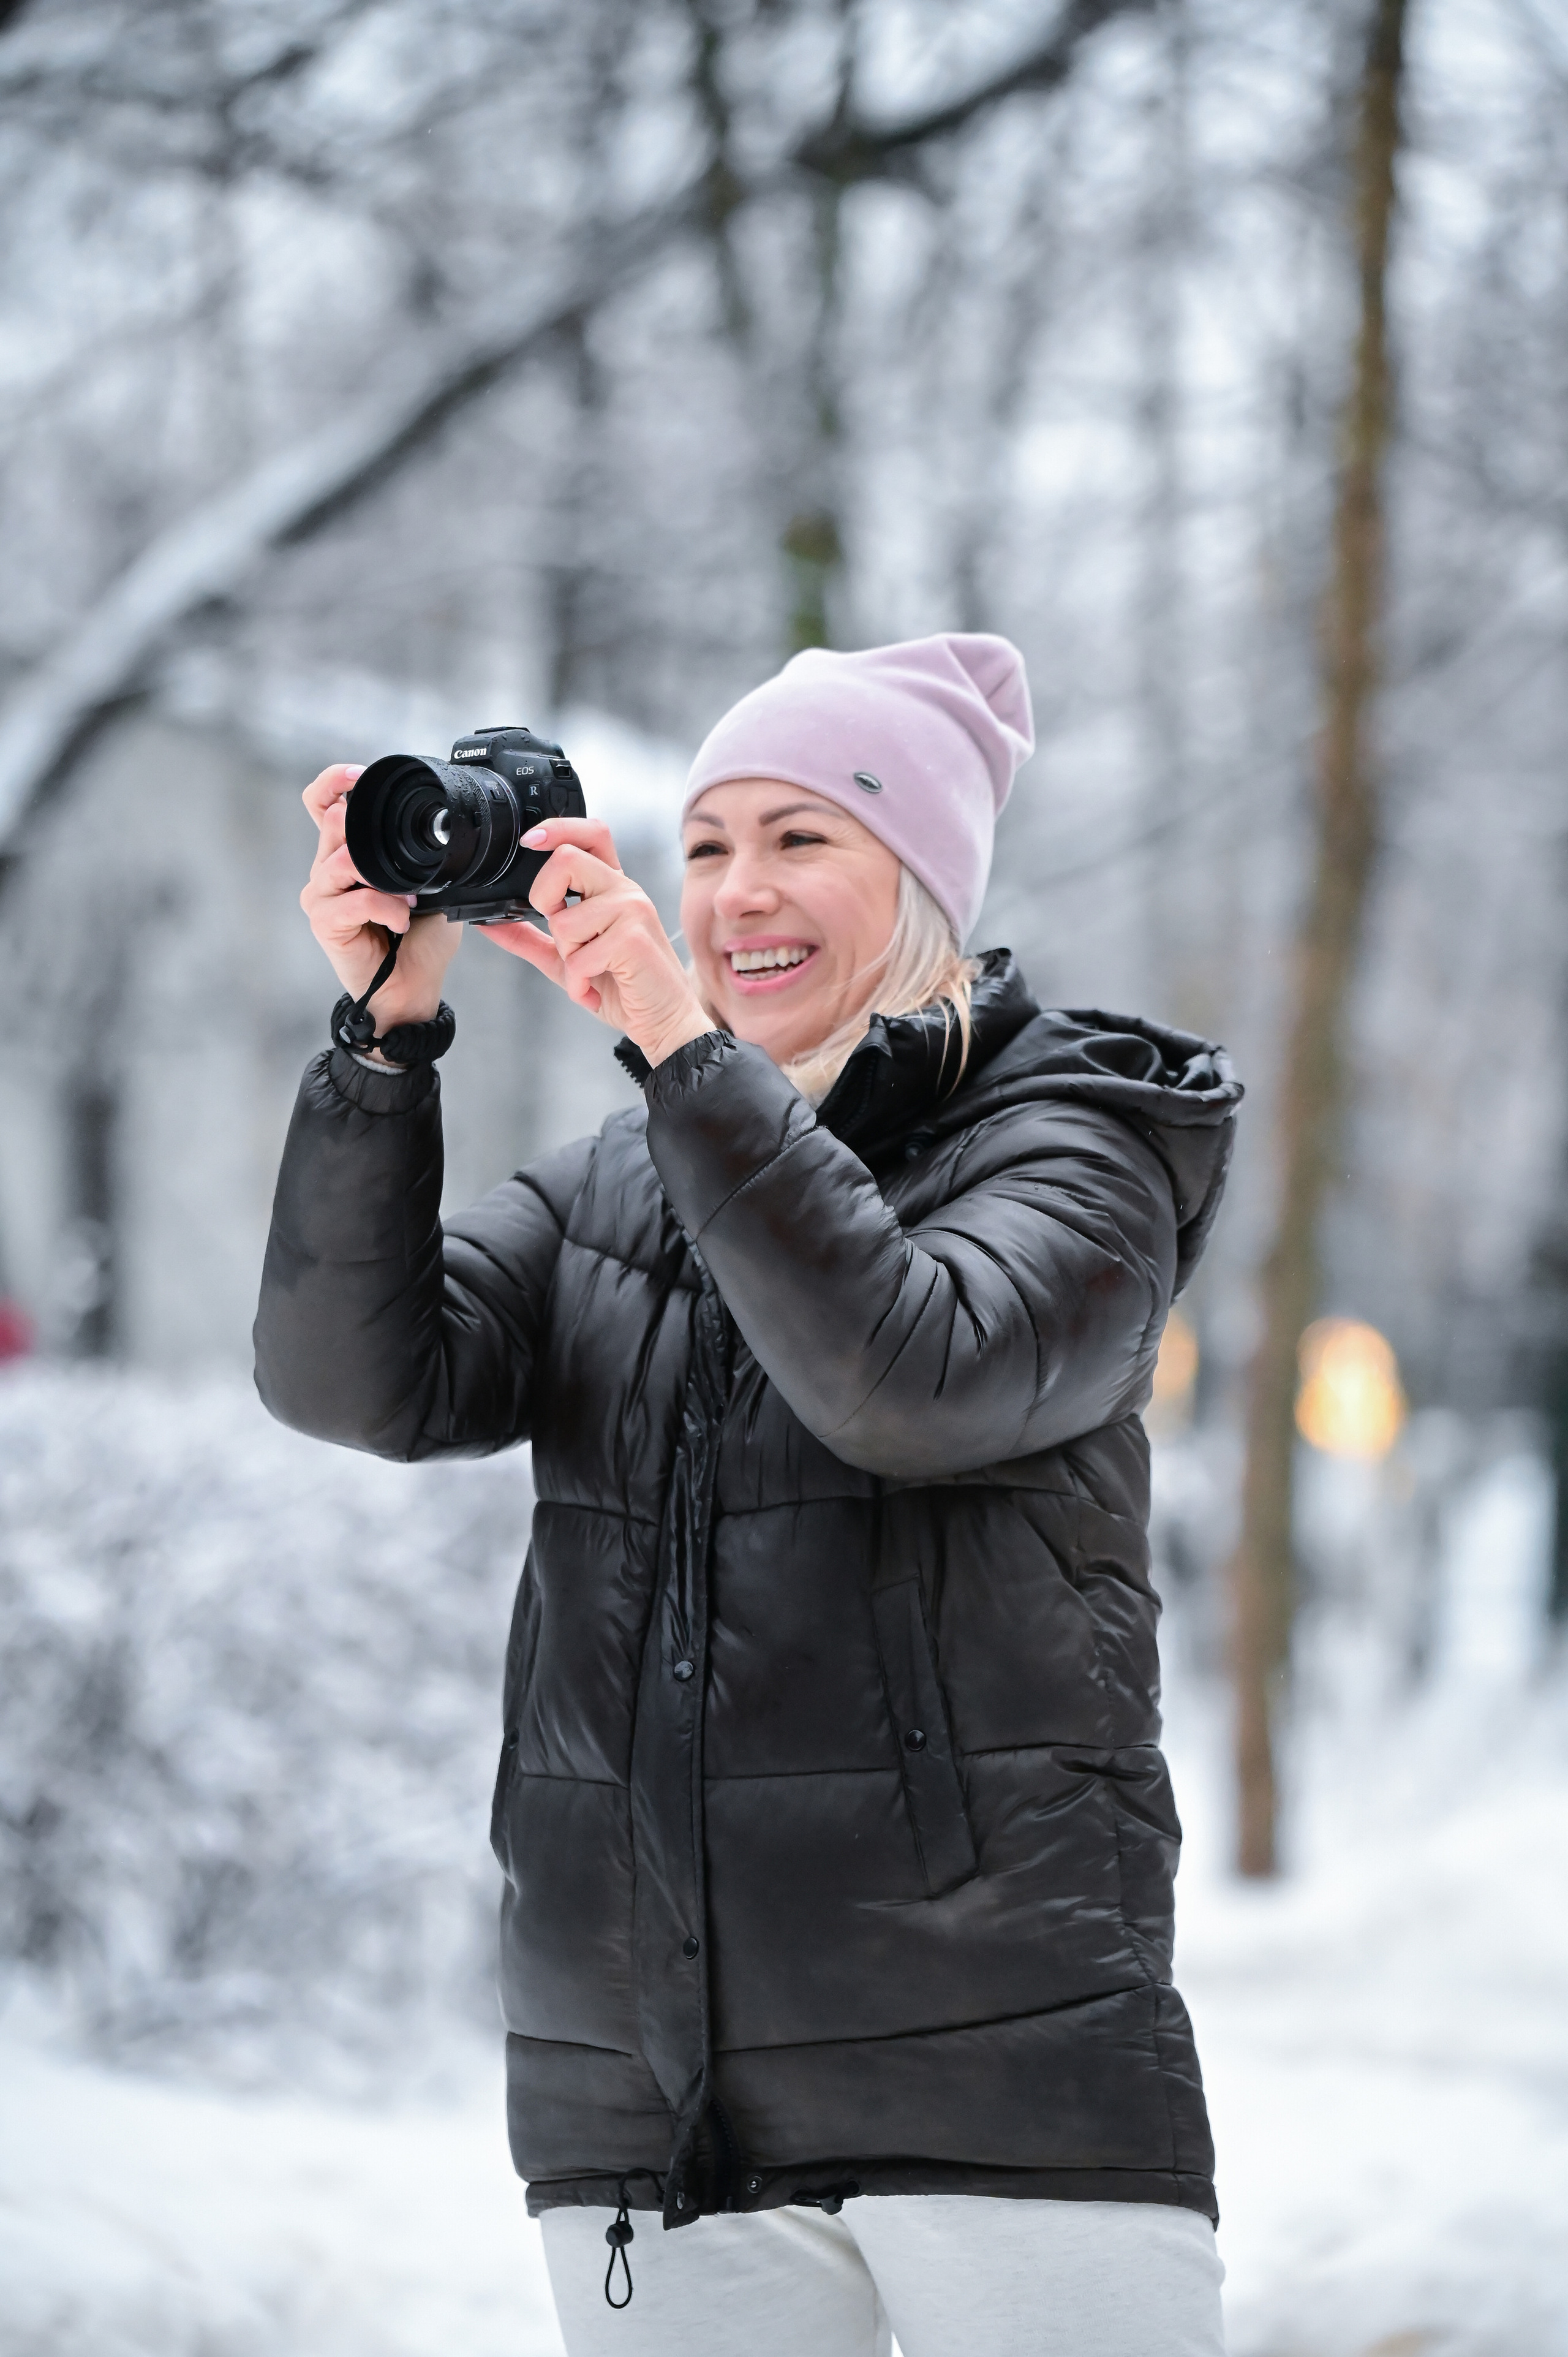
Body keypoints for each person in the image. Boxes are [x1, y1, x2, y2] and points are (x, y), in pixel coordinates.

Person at [255, 632, 1243, 2357]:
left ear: (925, 878)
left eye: (805, 839)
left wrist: (673, 1046)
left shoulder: (1078, 1147)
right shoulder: (614, 1188)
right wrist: (385, 1040)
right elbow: (353, 1383)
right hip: (657, 2102)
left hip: (1003, 2083)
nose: (738, 894)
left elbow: (909, 1376)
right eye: (707, 847)